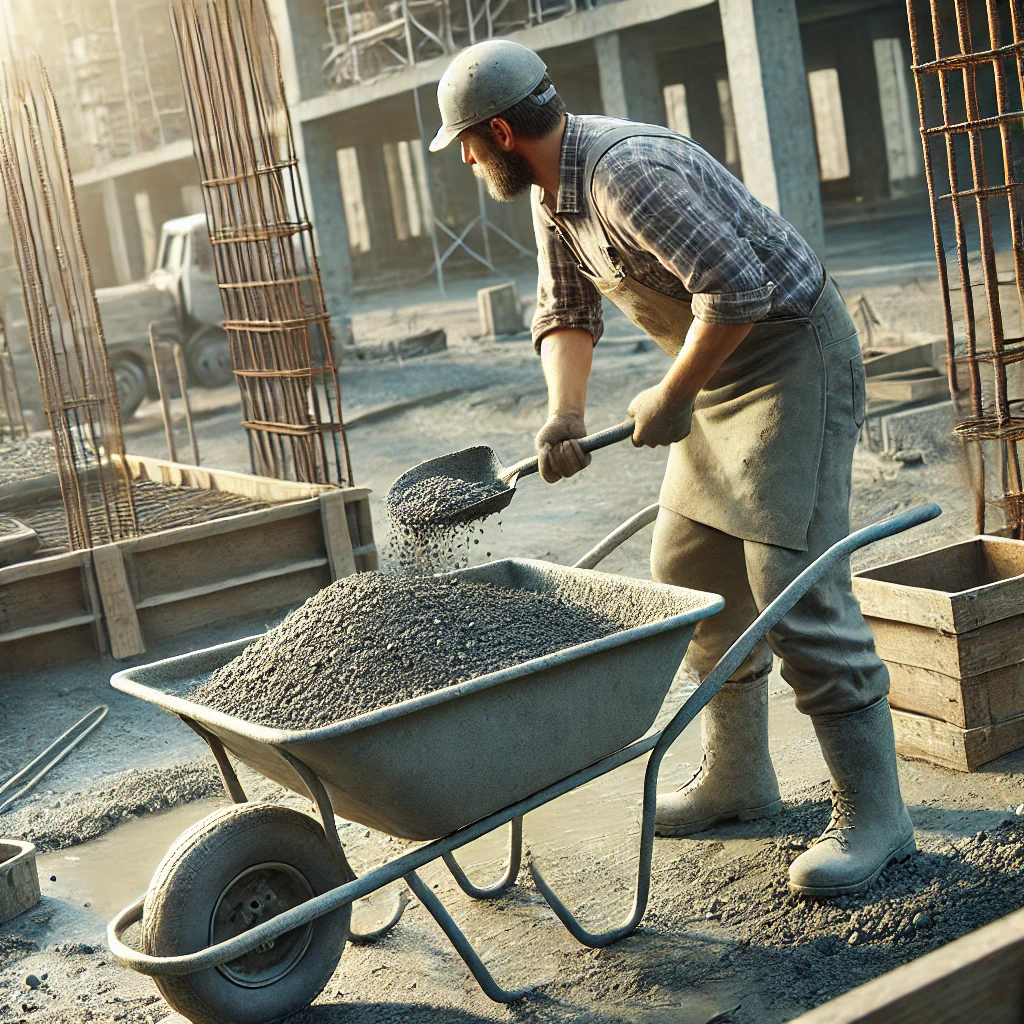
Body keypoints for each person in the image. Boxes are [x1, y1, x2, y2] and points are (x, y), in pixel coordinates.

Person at [429, 39, 915, 897]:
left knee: (790, 585)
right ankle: (739, 779)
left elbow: (736, 290)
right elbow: (567, 309)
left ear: (501, 131)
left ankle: (875, 815)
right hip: (718, 369)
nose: (464, 159)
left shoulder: (625, 173)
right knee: (689, 572)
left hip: (790, 361)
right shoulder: (555, 194)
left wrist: (669, 395)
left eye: (466, 143)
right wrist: (564, 416)